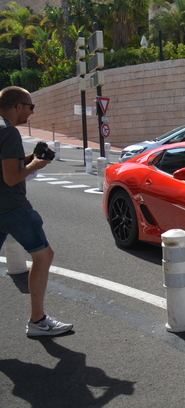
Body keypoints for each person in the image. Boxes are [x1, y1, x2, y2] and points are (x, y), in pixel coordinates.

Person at [0, 86, 73, 337]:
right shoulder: (9, 133)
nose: (32, 112)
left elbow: (6, 165)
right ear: (18, 106)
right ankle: (38, 321)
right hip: (12, 207)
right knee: (43, 256)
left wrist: (31, 156)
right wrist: (36, 163)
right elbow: (11, 177)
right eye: (31, 107)